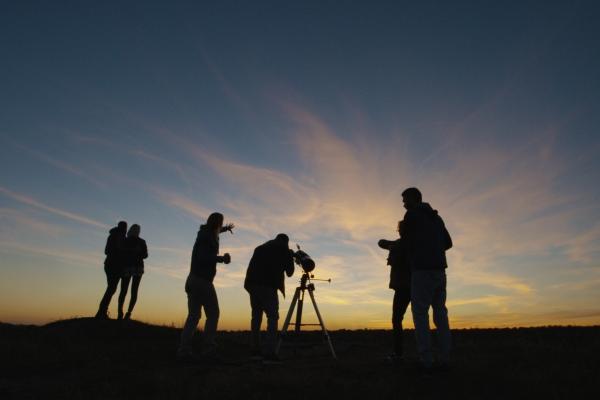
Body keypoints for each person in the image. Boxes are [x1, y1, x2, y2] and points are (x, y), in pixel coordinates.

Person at [401, 187, 453, 371]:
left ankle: (426, 361)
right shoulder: (436, 218)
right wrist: (433, 249)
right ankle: (445, 359)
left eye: (405, 200)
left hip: (422, 271)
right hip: (440, 271)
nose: (404, 204)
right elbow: (448, 243)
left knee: (421, 315)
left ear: (415, 199)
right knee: (441, 314)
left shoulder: (412, 216)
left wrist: (417, 253)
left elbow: (405, 241)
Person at [177, 212, 234, 363]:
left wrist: (226, 229)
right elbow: (203, 257)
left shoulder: (206, 233)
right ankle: (208, 349)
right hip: (202, 281)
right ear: (217, 223)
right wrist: (221, 258)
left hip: (193, 280)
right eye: (221, 223)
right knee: (213, 313)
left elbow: (215, 232)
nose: (221, 226)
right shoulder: (207, 237)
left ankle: (184, 351)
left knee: (194, 316)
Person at [244, 234, 295, 362]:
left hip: (252, 285)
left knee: (256, 317)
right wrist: (290, 256)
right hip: (268, 287)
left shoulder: (260, 248)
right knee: (272, 317)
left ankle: (254, 349)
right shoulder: (283, 250)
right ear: (286, 242)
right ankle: (269, 352)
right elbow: (290, 273)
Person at [377, 220, 410, 364]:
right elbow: (381, 242)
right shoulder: (408, 243)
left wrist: (392, 246)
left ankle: (398, 354)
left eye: (401, 229)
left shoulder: (399, 244)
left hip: (403, 287)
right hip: (414, 285)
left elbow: (381, 242)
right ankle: (426, 353)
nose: (400, 231)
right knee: (421, 318)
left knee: (397, 320)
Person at [95, 221, 128, 319]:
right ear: (123, 228)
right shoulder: (118, 237)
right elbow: (107, 251)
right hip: (113, 265)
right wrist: (120, 251)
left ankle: (102, 311)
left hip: (111, 265)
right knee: (111, 288)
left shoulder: (114, 236)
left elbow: (106, 251)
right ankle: (101, 312)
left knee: (111, 288)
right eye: (125, 228)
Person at [117, 224, 148, 320]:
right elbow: (145, 255)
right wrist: (136, 251)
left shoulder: (126, 241)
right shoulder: (141, 241)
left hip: (129, 267)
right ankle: (127, 313)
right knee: (133, 291)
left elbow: (145, 255)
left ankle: (121, 312)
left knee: (124, 290)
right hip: (136, 267)